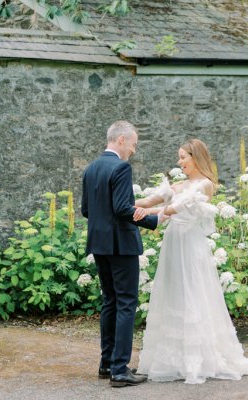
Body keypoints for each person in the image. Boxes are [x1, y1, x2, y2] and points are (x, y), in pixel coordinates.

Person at [133, 139, 248, 384]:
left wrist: (147, 213)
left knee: (193, 292)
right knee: (173, 292)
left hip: (190, 244)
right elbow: (149, 201)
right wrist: (121, 205)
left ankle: (197, 358)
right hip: (173, 242)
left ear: (196, 157)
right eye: (179, 158)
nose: (179, 163)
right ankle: (172, 358)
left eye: (183, 157)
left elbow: (174, 209)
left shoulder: (205, 185)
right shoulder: (179, 184)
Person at [81, 120, 163, 388]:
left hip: (99, 245)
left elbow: (85, 210)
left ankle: (107, 363)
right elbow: (122, 208)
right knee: (127, 303)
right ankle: (120, 370)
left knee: (110, 302)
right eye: (133, 144)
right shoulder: (121, 167)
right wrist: (154, 220)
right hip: (121, 245)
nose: (133, 150)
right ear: (121, 140)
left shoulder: (91, 168)